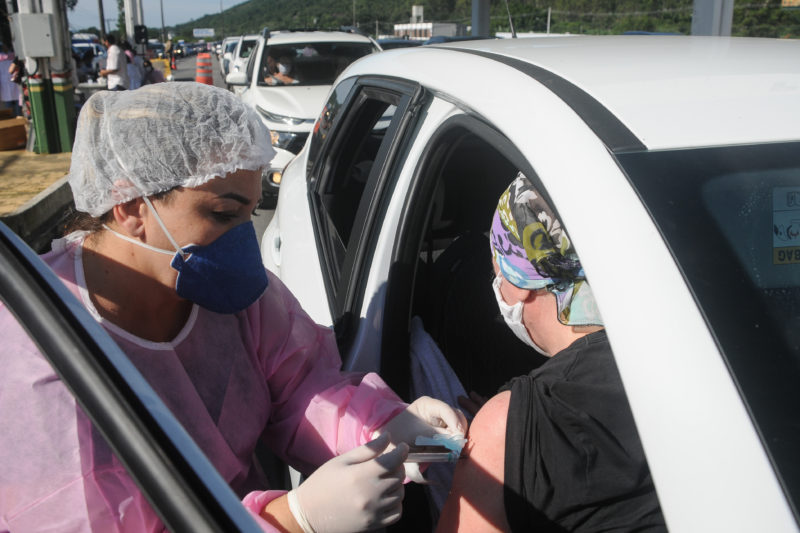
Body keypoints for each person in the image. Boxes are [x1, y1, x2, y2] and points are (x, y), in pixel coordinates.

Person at [0, 82, 466, 533]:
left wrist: (387, 428)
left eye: (250, 213)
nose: (246, 238)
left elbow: (304, 388)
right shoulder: (36, 349)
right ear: (129, 205)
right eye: (223, 215)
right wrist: (291, 520)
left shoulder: (235, 297)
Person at [437, 173, 665, 532]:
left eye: (496, 269)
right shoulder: (698, 356)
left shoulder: (504, 425)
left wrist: (501, 430)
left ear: (518, 281)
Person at [0, 42, 21, 116]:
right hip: (6, 84)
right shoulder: (13, 57)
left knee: (16, 104)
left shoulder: (13, 57)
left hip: (11, 83)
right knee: (11, 106)